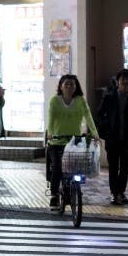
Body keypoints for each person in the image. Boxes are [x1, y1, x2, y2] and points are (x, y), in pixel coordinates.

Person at [45, 74, 100, 210]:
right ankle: (54, 196)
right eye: (66, 84)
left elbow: (88, 116)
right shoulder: (54, 101)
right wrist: (50, 133)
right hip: (57, 142)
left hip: (74, 142)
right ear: (61, 86)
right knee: (57, 167)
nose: (69, 86)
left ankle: (72, 189)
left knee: (76, 167)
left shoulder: (80, 100)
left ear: (76, 87)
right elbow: (51, 119)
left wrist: (94, 133)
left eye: (72, 84)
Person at [97, 68, 128, 205]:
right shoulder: (109, 96)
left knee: (124, 168)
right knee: (113, 167)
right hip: (112, 139)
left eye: (127, 79)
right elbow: (100, 114)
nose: (125, 81)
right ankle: (114, 193)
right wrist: (106, 128)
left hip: (126, 139)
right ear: (117, 81)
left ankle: (121, 192)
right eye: (123, 79)